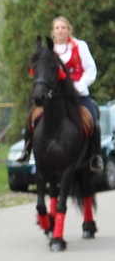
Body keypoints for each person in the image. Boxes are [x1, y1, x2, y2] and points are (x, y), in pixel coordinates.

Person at [18, 16, 102, 171]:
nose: (60, 31)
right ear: (53, 32)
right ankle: (27, 150)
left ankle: (95, 156)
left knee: (93, 121)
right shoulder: (50, 51)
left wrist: (79, 86)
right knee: (32, 117)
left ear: (69, 30)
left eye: (63, 27)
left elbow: (91, 70)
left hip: (77, 95)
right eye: (57, 28)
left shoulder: (79, 46)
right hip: (54, 97)